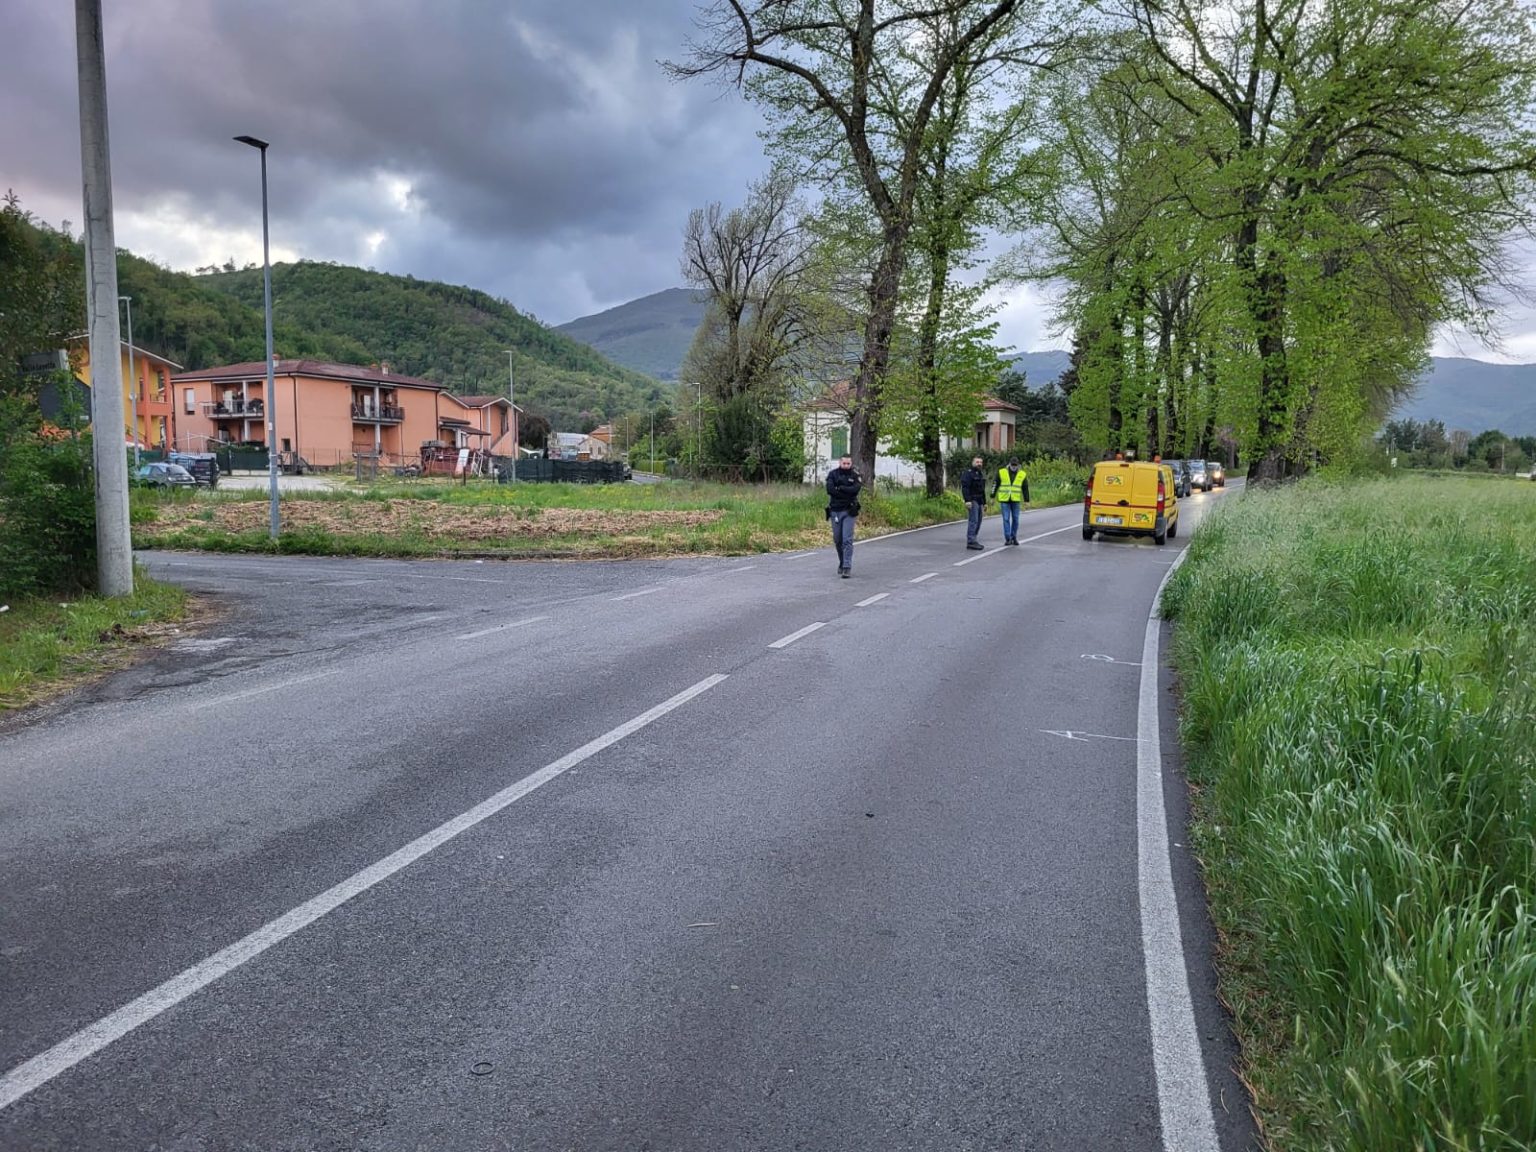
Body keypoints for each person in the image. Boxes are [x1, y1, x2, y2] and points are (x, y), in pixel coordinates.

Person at [825, 455, 863, 578]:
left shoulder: (855, 475)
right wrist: (846, 492)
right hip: (835, 511)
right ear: (840, 463)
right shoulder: (833, 474)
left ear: (851, 463)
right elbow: (830, 490)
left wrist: (841, 488)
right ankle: (842, 562)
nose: (846, 466)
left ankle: (847, 566)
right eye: (844, 463)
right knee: (838, 540)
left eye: (848, 464)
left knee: (847, 540)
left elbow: (855, 489)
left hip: (849, 511)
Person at [991, 457, 1030, 545]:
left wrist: (1026, 501)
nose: (1014, 467)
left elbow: (1025, 488)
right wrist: (992, 497)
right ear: (1009, 464)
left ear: (1018, 465)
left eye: (1015, 465)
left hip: (1015, 500)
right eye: (1012, 465)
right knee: (1006, 519)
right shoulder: (1002, 472)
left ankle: (1014, 536)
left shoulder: (1022, 474)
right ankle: (1008, 538)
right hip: (1004, 499)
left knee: (1016, 519)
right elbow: (995, 484)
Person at [960, 456, 988, 550]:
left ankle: (974, 539)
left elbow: (982, 490)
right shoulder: (968, 474)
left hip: (979, 500)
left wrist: (985, 503)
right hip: (972, 500)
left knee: (979, 521)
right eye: (977, 462)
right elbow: (965, 487)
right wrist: (967, 500)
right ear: (973, 463)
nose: (979, 464)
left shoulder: (980, 474)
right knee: (973, 521)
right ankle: (971, 541)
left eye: (980, 462)